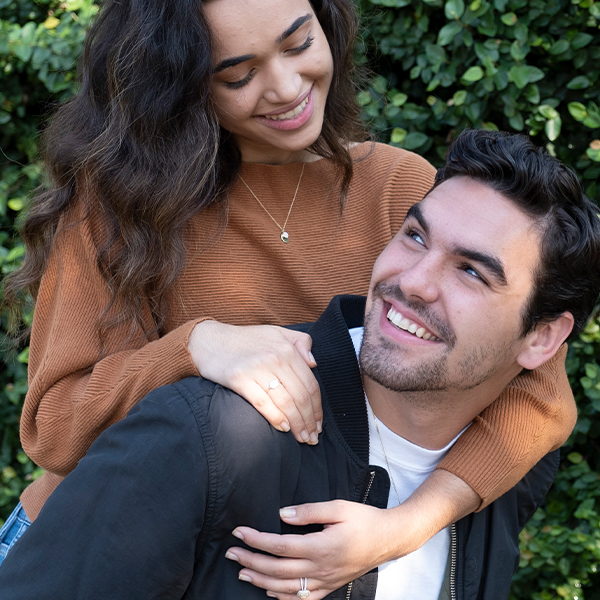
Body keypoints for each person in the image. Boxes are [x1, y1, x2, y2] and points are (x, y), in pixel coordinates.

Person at [0, 0, 575, 583]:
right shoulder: (120, 205)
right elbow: (55, 427)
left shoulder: (399, 187)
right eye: (238, 75)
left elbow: (541, 398)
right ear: (180, 85)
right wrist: (196, 347)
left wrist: (407, 527)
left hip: (259, 560)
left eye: (299, 44)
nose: (286, 87)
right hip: (92, 551)